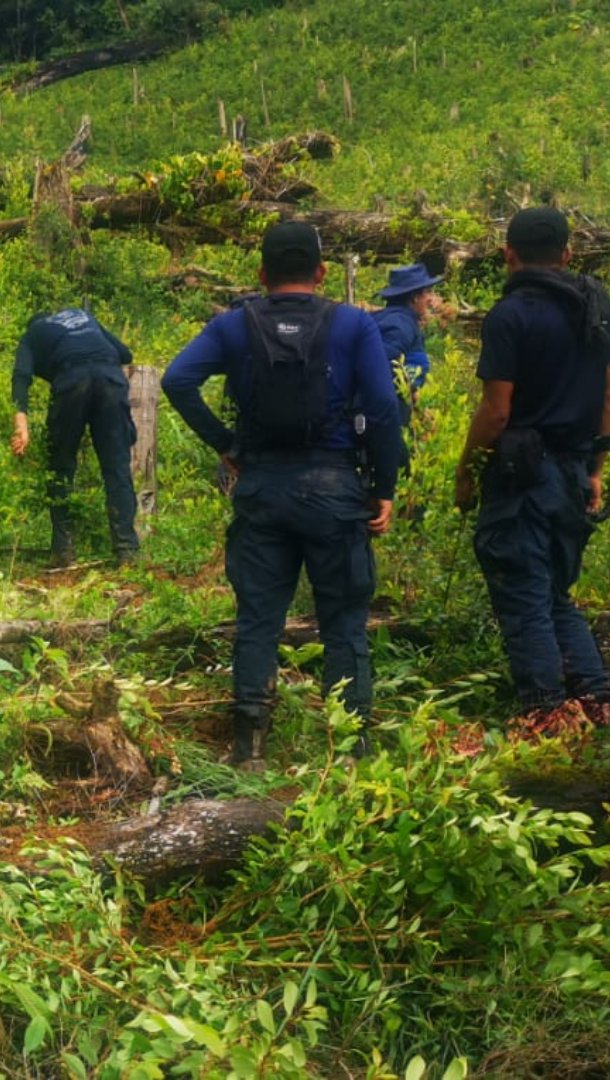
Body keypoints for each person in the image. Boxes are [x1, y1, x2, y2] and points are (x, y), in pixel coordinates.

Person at [162, 221, 402, 769]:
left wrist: (227, 444)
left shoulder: (232, 326)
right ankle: (350, 748)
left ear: (262, 274)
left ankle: (249, 750)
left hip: (263, 487)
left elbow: (177, 381)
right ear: (321, 273)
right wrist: (383, 487)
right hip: (335, 489)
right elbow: (384, 410)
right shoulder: (354, 325)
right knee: (342, 620)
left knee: (258, 618)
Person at [454, 207, 610, 727]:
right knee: (554, 594)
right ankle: (597, 708)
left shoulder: (511, 315)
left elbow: (497, 410)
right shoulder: (598, 308)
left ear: (509, 256)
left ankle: (546, 719)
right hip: (573, 472)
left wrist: (466, 469)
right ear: (568, 255)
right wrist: (594, 469)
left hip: (521, 479)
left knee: (526, 596)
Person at [9, 307, 142, 566]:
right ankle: (127, 551)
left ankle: (63, 551)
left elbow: (21, 376)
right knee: (116, 466)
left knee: (60, 466)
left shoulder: (31, 335)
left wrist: (21, 425)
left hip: (72, 381)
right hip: (110, 378)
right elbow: (125, 353)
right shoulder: (82, 315)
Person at [371, 262, 444, 430]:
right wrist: (414, 397)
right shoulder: (398, 324)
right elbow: (383, 367)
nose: (431, 298)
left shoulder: (400, 321)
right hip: (387, 422)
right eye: (428, 292)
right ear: (414, 298)